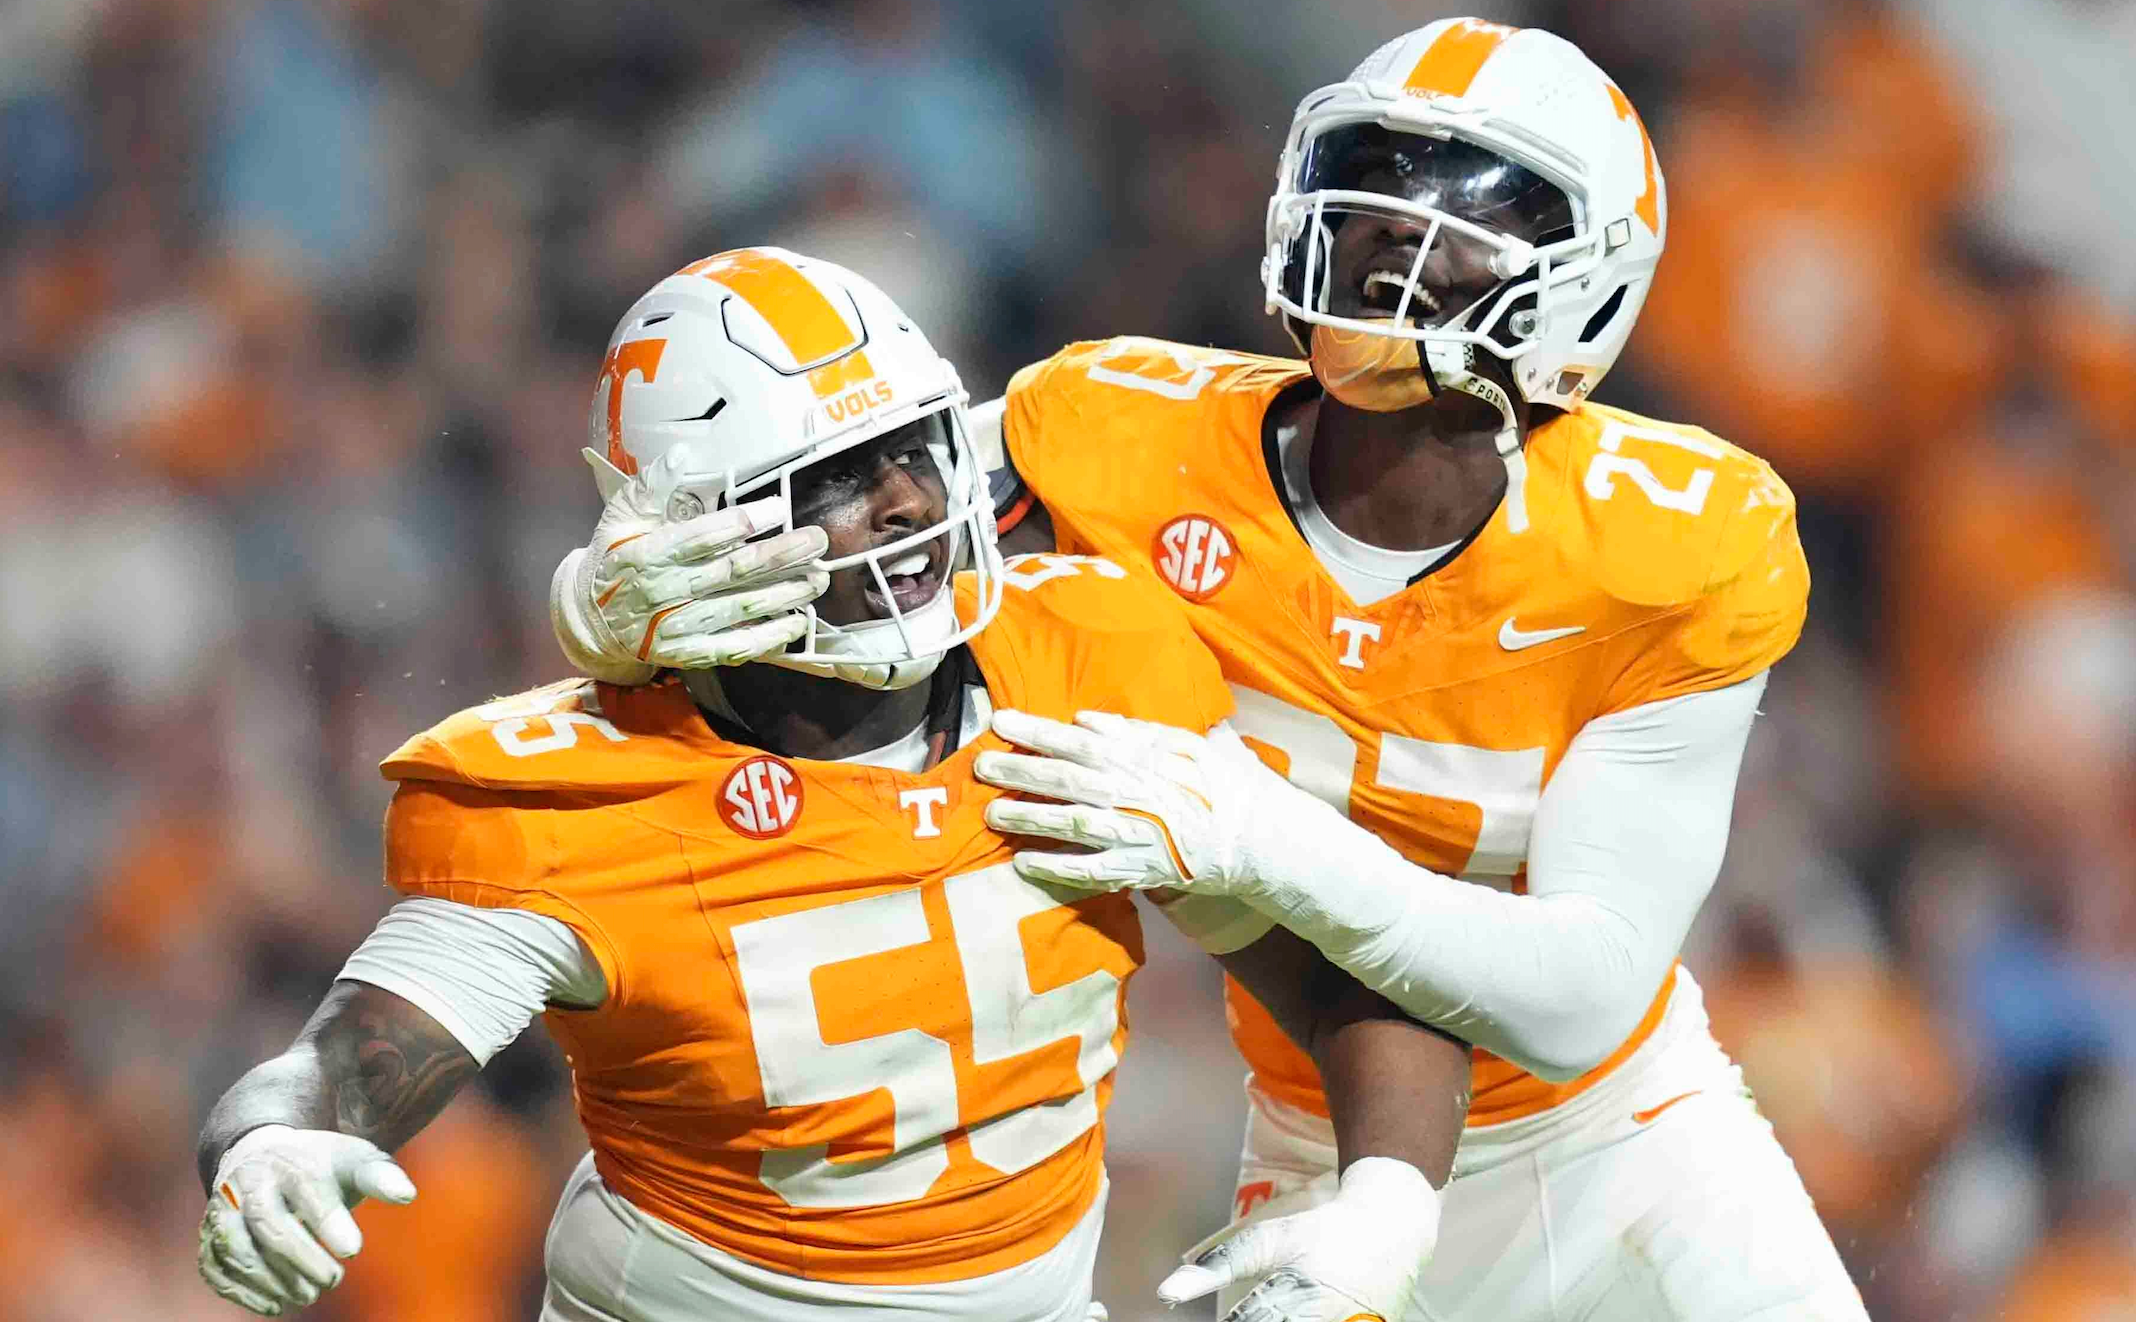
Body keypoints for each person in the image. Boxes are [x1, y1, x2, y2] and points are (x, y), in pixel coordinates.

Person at [552, 21, 1871, 1322]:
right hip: (1334, 1133)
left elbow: (1582, 993)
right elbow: (822, 515)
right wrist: (602, 607)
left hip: (1622, 1141)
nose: (1396, 230)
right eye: (1376, 179)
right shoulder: (1117, 428)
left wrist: (1259, 835)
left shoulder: (1677, 542)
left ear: (1592, 273)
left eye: (1470, 205)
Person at [193, 248, 1466, 1322]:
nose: (908, 498)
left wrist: (1383, 1202)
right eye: (842, 473)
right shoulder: (585, 797)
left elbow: (1356, 975)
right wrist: (272, 1143)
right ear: (699, 525)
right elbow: (338, 1065)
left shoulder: (1088, 664)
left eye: (914, 447)